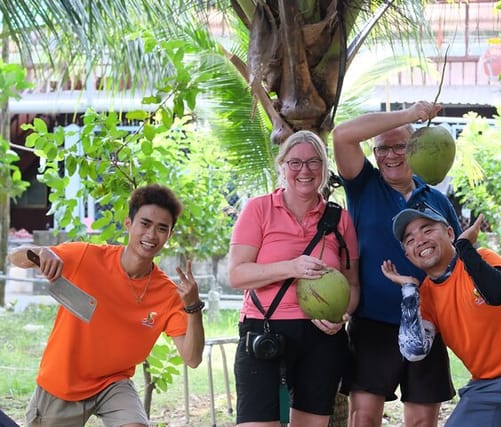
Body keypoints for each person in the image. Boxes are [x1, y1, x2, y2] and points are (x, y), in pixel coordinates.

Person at [8, 184, 205, 427]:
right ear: (128, 224)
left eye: (162, 228)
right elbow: (15, 256)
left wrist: (194, 307)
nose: (152, 235)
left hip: (113, 382)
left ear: (170, 235)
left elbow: (192, 358)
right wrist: (41, 251)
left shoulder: (168, 294)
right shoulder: (86, 257)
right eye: (145, 224)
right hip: (63, 381)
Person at [382, 205, 501, 427]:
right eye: (410, 239)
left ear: (450, 233)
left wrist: (464, 247)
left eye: (427, 230)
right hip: (486, 387)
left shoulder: (483, 258)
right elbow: (414, 351)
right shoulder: (426, 294)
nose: (420, 240)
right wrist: (408, 290)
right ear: (408, 254)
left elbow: (497, 294)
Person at [331, 101, 462, 426]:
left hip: (426, 324)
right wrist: (408, 116)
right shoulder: (364, 186)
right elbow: (343, 135)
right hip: (372, 323)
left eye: (400, 146)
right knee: (363, 417)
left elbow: (457, 262)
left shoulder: (436, 200)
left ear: (415, 148)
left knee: (421, 421)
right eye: (381, 149)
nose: (390, 155)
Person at [228, 130, 360, 427]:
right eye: (295, 162)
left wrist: (344, 315)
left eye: (314, 162)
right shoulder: (258, 209)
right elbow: (237, 274)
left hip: (321, 336)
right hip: (265, 328)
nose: (305, 170)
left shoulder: (341, 220)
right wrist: (292, 267)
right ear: (282, 166)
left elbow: (352, 283)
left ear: (324, 169)